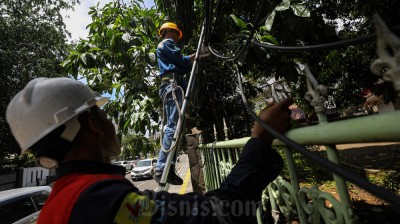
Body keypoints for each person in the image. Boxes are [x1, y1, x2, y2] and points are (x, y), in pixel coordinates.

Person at [6, 77, 293, 223]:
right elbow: (217, 214)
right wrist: (259, 140)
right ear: (92, 124)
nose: (111, 123)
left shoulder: (59, 203)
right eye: (103, 114)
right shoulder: (98, 200)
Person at [154, 22, 195, 185]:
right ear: (169, 32)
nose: (177, 40)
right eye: (176, 35)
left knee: (175, 127)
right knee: (172, 126)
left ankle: (168, 167)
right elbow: (181, 61)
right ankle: (162, 167)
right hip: (172, 85)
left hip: (172, 85)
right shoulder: (166, 43)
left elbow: (182, 66)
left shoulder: (165, 46)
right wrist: (192, 58)